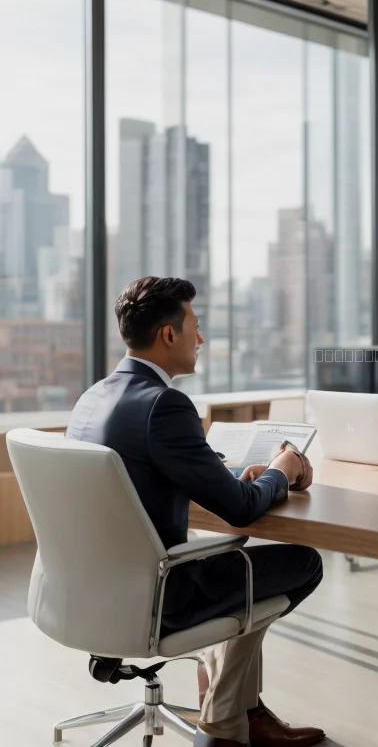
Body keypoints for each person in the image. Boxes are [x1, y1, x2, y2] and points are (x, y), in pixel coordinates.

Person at [66, 276, 325, 747]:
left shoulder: (94, 397)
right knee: (302, 562)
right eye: (195, 327)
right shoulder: (164, 404)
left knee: (238, 568)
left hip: (89, 590)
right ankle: (228, 715)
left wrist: (242, 478)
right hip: (157, 595)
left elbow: (158, 474)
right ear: (169, 335)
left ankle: (237, 709)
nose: (200, 339)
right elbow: (241, 511)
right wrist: (283, 470)